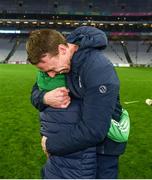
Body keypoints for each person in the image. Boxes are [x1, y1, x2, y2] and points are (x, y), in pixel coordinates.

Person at [26, 26, 130, 179]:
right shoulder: (62, 63)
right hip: (76, 146)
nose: (51, 75)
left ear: (62, 49)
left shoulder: (98, 68)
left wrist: (51, 144)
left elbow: (95, 130)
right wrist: (44, 98)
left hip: (104, 149)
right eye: (45, 72)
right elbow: (35, 93)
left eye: (52, 69)